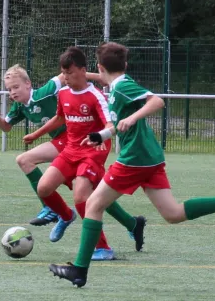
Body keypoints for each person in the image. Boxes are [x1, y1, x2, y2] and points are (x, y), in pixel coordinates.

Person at [48, 42, 215, 287]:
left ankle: (79, 270)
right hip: (150, 157)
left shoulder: (121, 87)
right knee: (173, 214)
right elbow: (114, 109)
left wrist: (132, 117)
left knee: (93, 205)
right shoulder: (117, 83)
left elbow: (157, 102)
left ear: (100, 66)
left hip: (134, 159)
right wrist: (103, 135)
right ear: (125, 65)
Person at [23, 47, 146, 261]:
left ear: (83, 70)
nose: (66, 78)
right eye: (64, 73)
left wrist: (101, 136)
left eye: (70, 73)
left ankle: (103, 248)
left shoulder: (96, 96)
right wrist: (36, 134)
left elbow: (110, 123)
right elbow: (60, 119)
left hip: (93, 152)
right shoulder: (62, 93)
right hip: (70, 150)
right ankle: (66, 215)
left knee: (82, 196)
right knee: (43, 188)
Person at [0, 64, 104, 226]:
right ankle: (131, 223)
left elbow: (66, 74)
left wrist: (103, 78)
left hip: (74, 138)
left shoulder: (44, 92)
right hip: (62, 141)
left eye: (16, 87)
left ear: (28, 84)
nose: (13, 92)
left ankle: (52, 208)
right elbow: (6, 127)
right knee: (95, 190)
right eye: (10, 89)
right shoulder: (20, 106)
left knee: (25, 160)